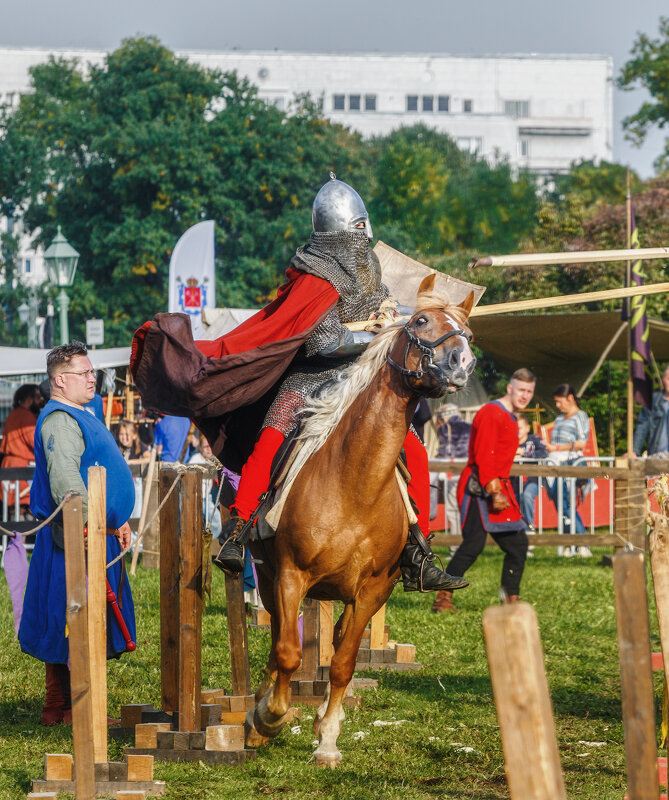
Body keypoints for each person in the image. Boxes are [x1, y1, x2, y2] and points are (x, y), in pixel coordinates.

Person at [131, 175, 463, 594]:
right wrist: (375, 335)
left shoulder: (367, 266)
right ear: (340, 230)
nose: (363, 234)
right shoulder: (316, 276)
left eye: (364, 226)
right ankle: (238, 531)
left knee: (414, 451)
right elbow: (323, 340)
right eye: (357, 227)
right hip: (310, 379)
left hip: (358, 382)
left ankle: (419, 551)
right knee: (269, 442)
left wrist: (390, 315)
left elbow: (380, 303)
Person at [19, 342, 137, 725]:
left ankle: (68, 707)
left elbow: (97, 469)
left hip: (96, 531)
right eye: (84, 373)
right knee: (70, 623)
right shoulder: (59, 420)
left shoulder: (80, 413)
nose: (92, 379)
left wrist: (117, 519)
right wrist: (88, 527)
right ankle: (66, 708)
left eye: (92, 372)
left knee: (82, 622)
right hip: (74, 537)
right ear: (60, 380)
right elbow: (67, 482)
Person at [436, 369, 536, 612]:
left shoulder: (511, 417)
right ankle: (442, 598)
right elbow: (485, 454)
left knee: (518, 544)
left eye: (529, 392)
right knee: (473, 545)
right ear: (509, 388)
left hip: (497, 487)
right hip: (480, 487)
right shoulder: (492, 412)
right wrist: (493, 489)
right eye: (521, 390)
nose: (525, 396)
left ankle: (509, 599)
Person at [546, 384, 591, 557]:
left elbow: (581, 442)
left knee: (566, 503)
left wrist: (557, 448)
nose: (557, 406)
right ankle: (572, 543)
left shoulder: (581, 416)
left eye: (559, 402)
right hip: (555, 464)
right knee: (561, 503)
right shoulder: (558, 420)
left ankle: (581, 541)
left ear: (570, 398)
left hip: (571, 463)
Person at [432, 403, 471, 534]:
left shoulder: (444, 429)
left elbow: (445, 451)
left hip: (453, 472)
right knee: (466, 506)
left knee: (453, 507)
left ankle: (455, 545)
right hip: (469, 471)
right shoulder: (470, 427)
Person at [1, 383, 41, 512]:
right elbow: (35, 441)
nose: (39, 402)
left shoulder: (13, 414)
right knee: (23, 507)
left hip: (10, 466)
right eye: (37, 398)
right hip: (21, 468)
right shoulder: (26, 416)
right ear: (30, 399)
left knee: (13, 510)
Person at [514, 414, 548, 528]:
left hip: (533, 478)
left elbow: (543, 453)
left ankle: (529, 527)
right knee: (514, 501)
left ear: (527, 428)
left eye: (519, 428)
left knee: (527, 495)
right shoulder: (509, 441)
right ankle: (516, 528)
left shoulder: (534, 439)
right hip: (514, 478)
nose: (517, 431)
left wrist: (524, 453)